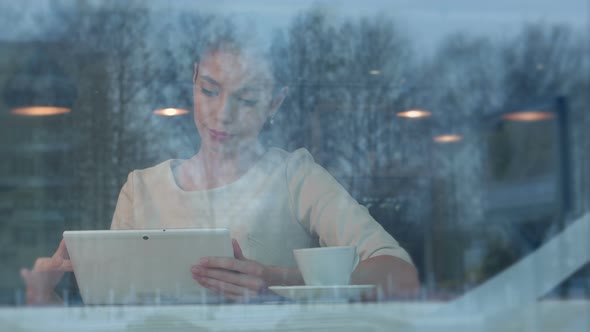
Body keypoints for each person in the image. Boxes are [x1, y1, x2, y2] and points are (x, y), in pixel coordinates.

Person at [21, 40, 419, 304]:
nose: (222, 114)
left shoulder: (294, 176)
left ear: (275, 104)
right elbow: (112, 318)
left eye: (246, 99)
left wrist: (275, 280)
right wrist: (45, 299)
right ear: (193, 77)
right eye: (209, 90)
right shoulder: (140, 190)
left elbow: (400, 276)